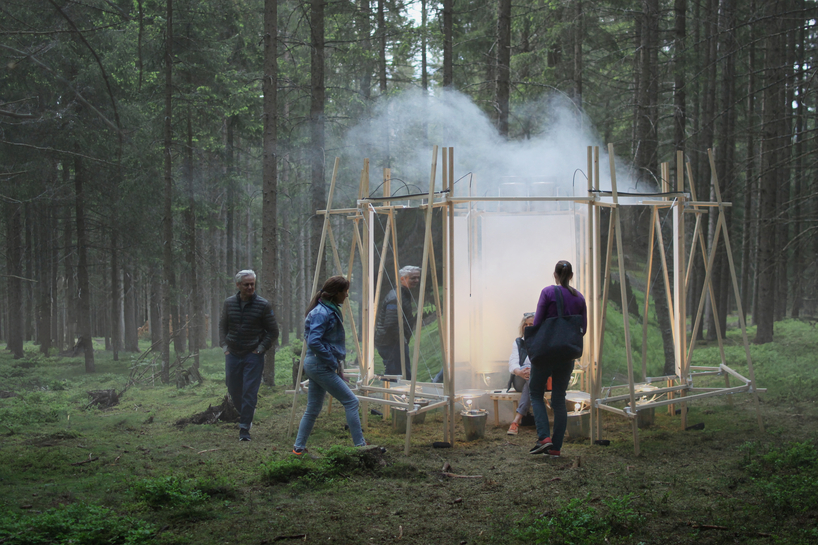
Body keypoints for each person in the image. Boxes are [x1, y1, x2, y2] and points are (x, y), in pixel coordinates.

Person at [293, 275, 367, 454]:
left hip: (318, 364)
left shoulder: (328, 309)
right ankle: (361, 448)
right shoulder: (321, 312)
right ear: (336, 293)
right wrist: (331, 360)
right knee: (351, 401)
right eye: (345, 292)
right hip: (319, 364)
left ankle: (298, 449)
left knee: (313, 408)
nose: (347, 296)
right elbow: (314, 341)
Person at [528, 260, 587, 458]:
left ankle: (544, 438)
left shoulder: (548, 292)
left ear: (555, 274)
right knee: (559, 399)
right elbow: (583, 329)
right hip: (567, 354)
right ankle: (556, 448)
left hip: (545, 353)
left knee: (536, 392)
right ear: (571, 276)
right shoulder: (579, 298)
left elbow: (537, 323)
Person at [219, 269, 279, 442]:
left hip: (253, 354)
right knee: (232, 387)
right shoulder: (229, 303)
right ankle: (248, 411)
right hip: (233, 352)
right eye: (246, 284)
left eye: (253, 284)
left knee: (249, 391)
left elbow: (273, 331)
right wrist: (224, 346)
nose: (250, 287)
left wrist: (260, 348)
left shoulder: (263, 305)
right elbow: (222, 325)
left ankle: (244, 429)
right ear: (238, 285)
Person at [374, 265, 421, 379]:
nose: (416, 281)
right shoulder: (396, 297)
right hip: (391, 343)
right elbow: (390, 324)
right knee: (397, 375)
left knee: (400, 373)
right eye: (413, 278)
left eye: (417, 278)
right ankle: (392, 396)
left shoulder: (403, 294)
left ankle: (394, 394)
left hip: (393, 342)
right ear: (402, 279)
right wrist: (402, 340)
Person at [507, 312, 534, 435]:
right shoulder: (518, 342)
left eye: (531, 324)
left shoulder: (542, 341)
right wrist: (520, 372)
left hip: (536, 378)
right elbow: (513, 363)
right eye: (525, 324)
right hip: (519, 378)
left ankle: (516, 421)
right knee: (529, 376)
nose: (528, 327)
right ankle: (524, 418)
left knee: (531, 377)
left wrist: (532, 370)